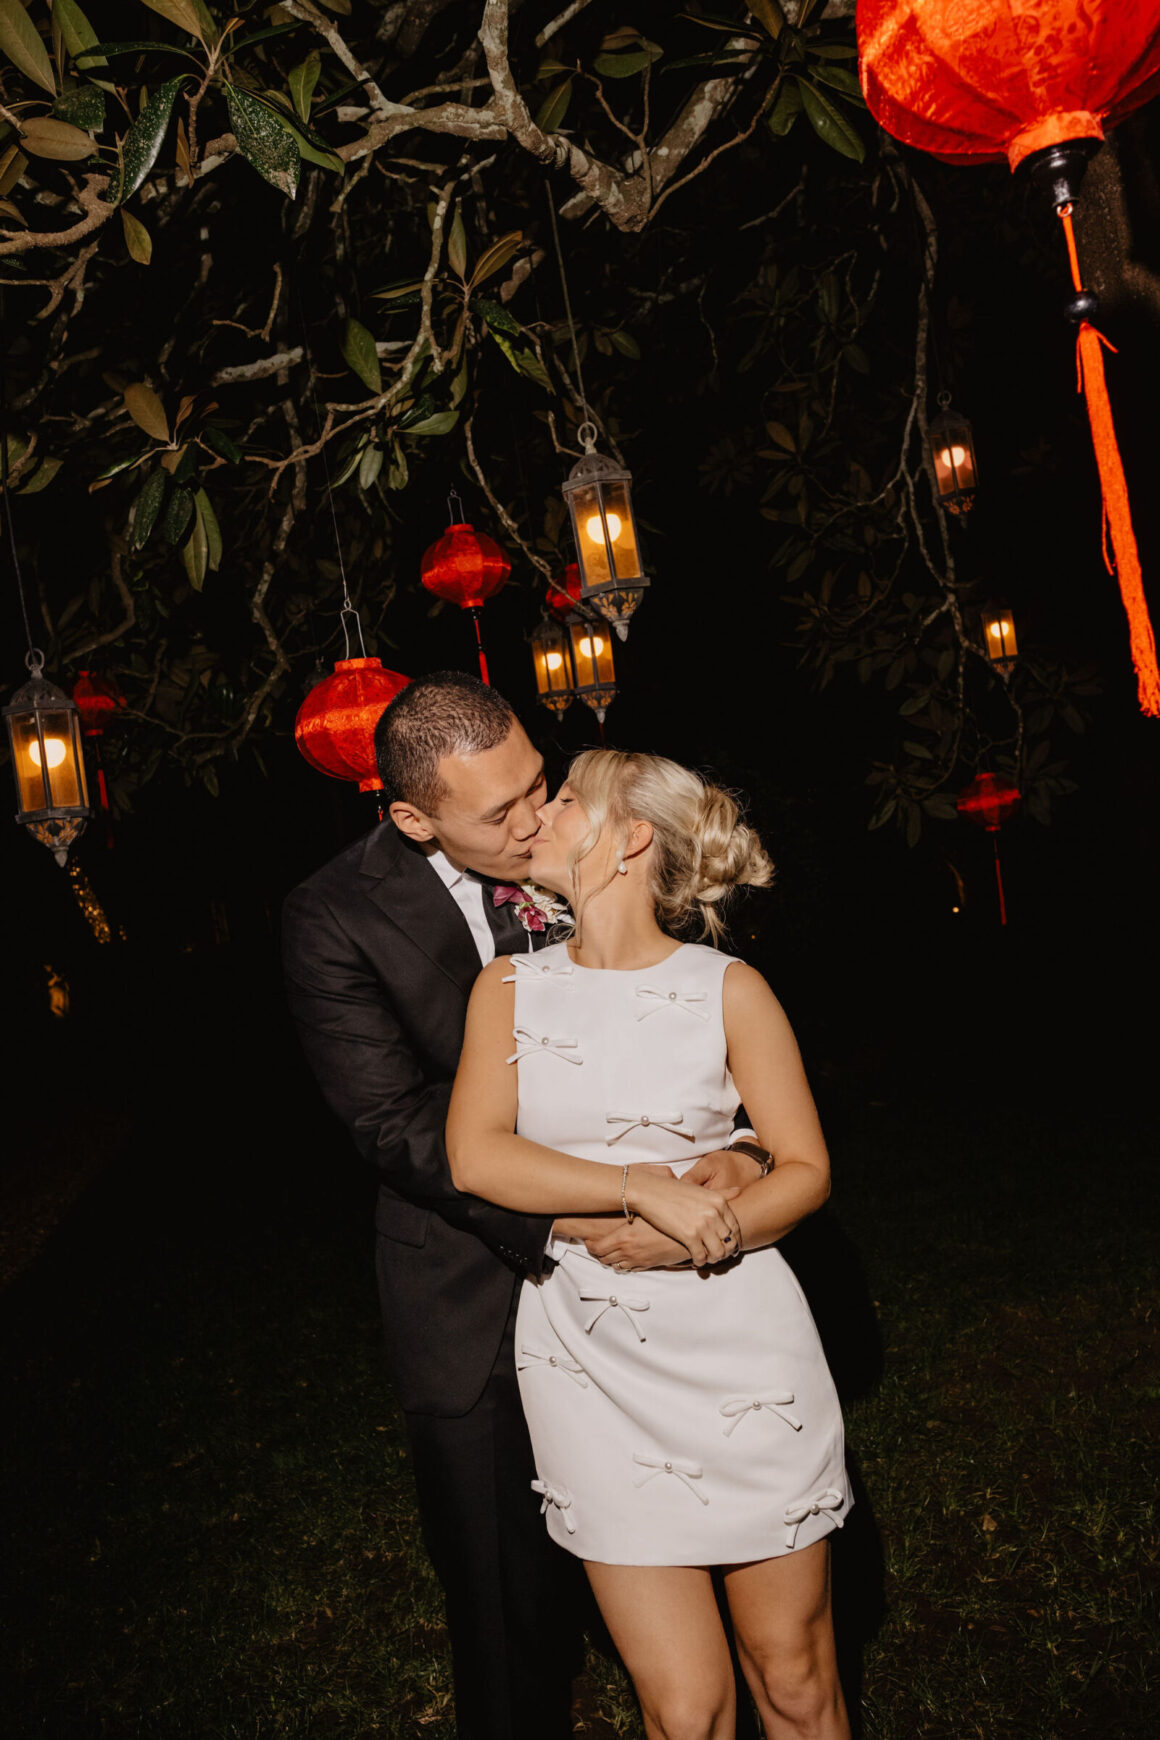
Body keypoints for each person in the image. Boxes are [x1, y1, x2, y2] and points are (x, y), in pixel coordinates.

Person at [282, 676, 766, 1739]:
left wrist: (735, 1146)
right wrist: (563, 1214)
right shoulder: (332, 917)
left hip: (668, 1287)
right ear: (412, 819)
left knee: (710, 1583)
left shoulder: (580, 842)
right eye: (494, 813)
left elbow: (697, 1011)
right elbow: (388, 1120)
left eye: (537, 786)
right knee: (508, 1619)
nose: (531, 819)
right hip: (475, 1293)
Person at [447, 749, 853, 1740]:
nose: (538, 813)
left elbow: (802, 1168)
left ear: (629, 839)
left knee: (793, 1678)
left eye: (563, 799)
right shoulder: (505, 988)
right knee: (683, 1710)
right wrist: (639, 1193)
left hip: (737, 1345)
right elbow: (477, 1158)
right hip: (589, 1367)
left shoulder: (728, 988)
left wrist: (695, 1237)